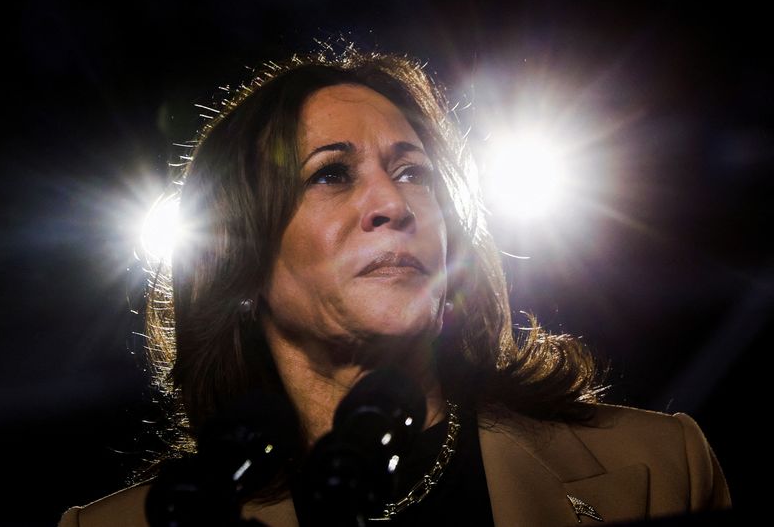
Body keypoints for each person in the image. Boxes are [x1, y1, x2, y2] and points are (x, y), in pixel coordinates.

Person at [59, 44, 731, 527]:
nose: (393, 203)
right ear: (241, 263)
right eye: (331, 174)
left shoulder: (661, 468)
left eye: (414, 172)